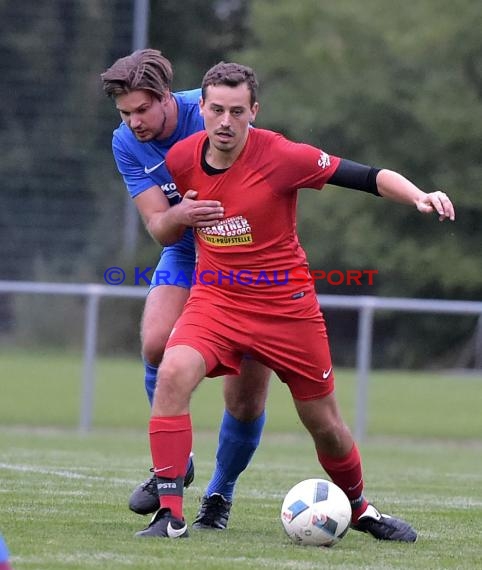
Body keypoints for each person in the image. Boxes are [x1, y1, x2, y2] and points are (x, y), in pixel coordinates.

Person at [135, 61, 455, 540]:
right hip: (215, 301)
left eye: (237, 111)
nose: (225, 121)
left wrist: (417, 195)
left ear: (253, 112)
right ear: (200, 108)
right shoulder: (180, 159)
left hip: (287, 310)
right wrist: (180, 215)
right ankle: (171, 515)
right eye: (216, 109)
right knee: (172, 373)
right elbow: (161, 224)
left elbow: (366, 176)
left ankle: (362, 509)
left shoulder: (282, 156)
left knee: (324, 425)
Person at [101, 50, 271, 529]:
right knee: (157, 341)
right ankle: (174, 466)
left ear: (166, 99)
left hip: (248, 255)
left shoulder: (215, 108)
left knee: (245, 399)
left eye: (141, 110)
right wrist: (182, 214)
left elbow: (266, 178)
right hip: (186, 252)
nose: (133, 122)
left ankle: (220, 494)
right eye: (124, 113)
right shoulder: (125, 143)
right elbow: (160, 227)